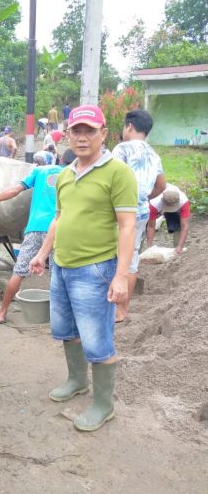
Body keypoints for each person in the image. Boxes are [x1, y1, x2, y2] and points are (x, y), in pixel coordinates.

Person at [30, 105, 137, 432]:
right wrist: (42, 254)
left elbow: (127, 226)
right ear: (68, 134)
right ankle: (77, 381)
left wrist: (121, 276)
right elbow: (59, 220)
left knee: (97, 340)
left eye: (90, 130)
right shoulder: (63, 174)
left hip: (95, 270)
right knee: (66, 331)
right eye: (77, 130)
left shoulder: (118, 173)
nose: (82, 137)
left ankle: (104, 405)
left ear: (104, 133)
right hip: (61, 267)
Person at [0, 159, 63, 324]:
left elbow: (15, 190)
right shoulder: (72, 173)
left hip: (35, 228)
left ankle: (1, 313)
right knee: (58, 275)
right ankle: (59, 320)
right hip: (60, 227)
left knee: (19, 272)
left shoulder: (40, 171)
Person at [112, 109, 166, 322]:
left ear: (129, 126)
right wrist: (143, 196)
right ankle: (123, 310)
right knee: (131, 258)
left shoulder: (121, 149)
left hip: (120, 211)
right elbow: (161, 185)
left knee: (115, 256)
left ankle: (112, 308)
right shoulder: (154, 154)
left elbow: (112, 177)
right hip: (142, 211)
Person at [146, 184, 190, 253]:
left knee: (178, 226)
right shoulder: (154, 203)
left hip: (177, 207)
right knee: (144, 223)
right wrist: (149, 248)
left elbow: (185, 226)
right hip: (156, 205)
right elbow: (151, 226)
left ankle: (177, 248)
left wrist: (180, 246)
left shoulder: (184, 202)